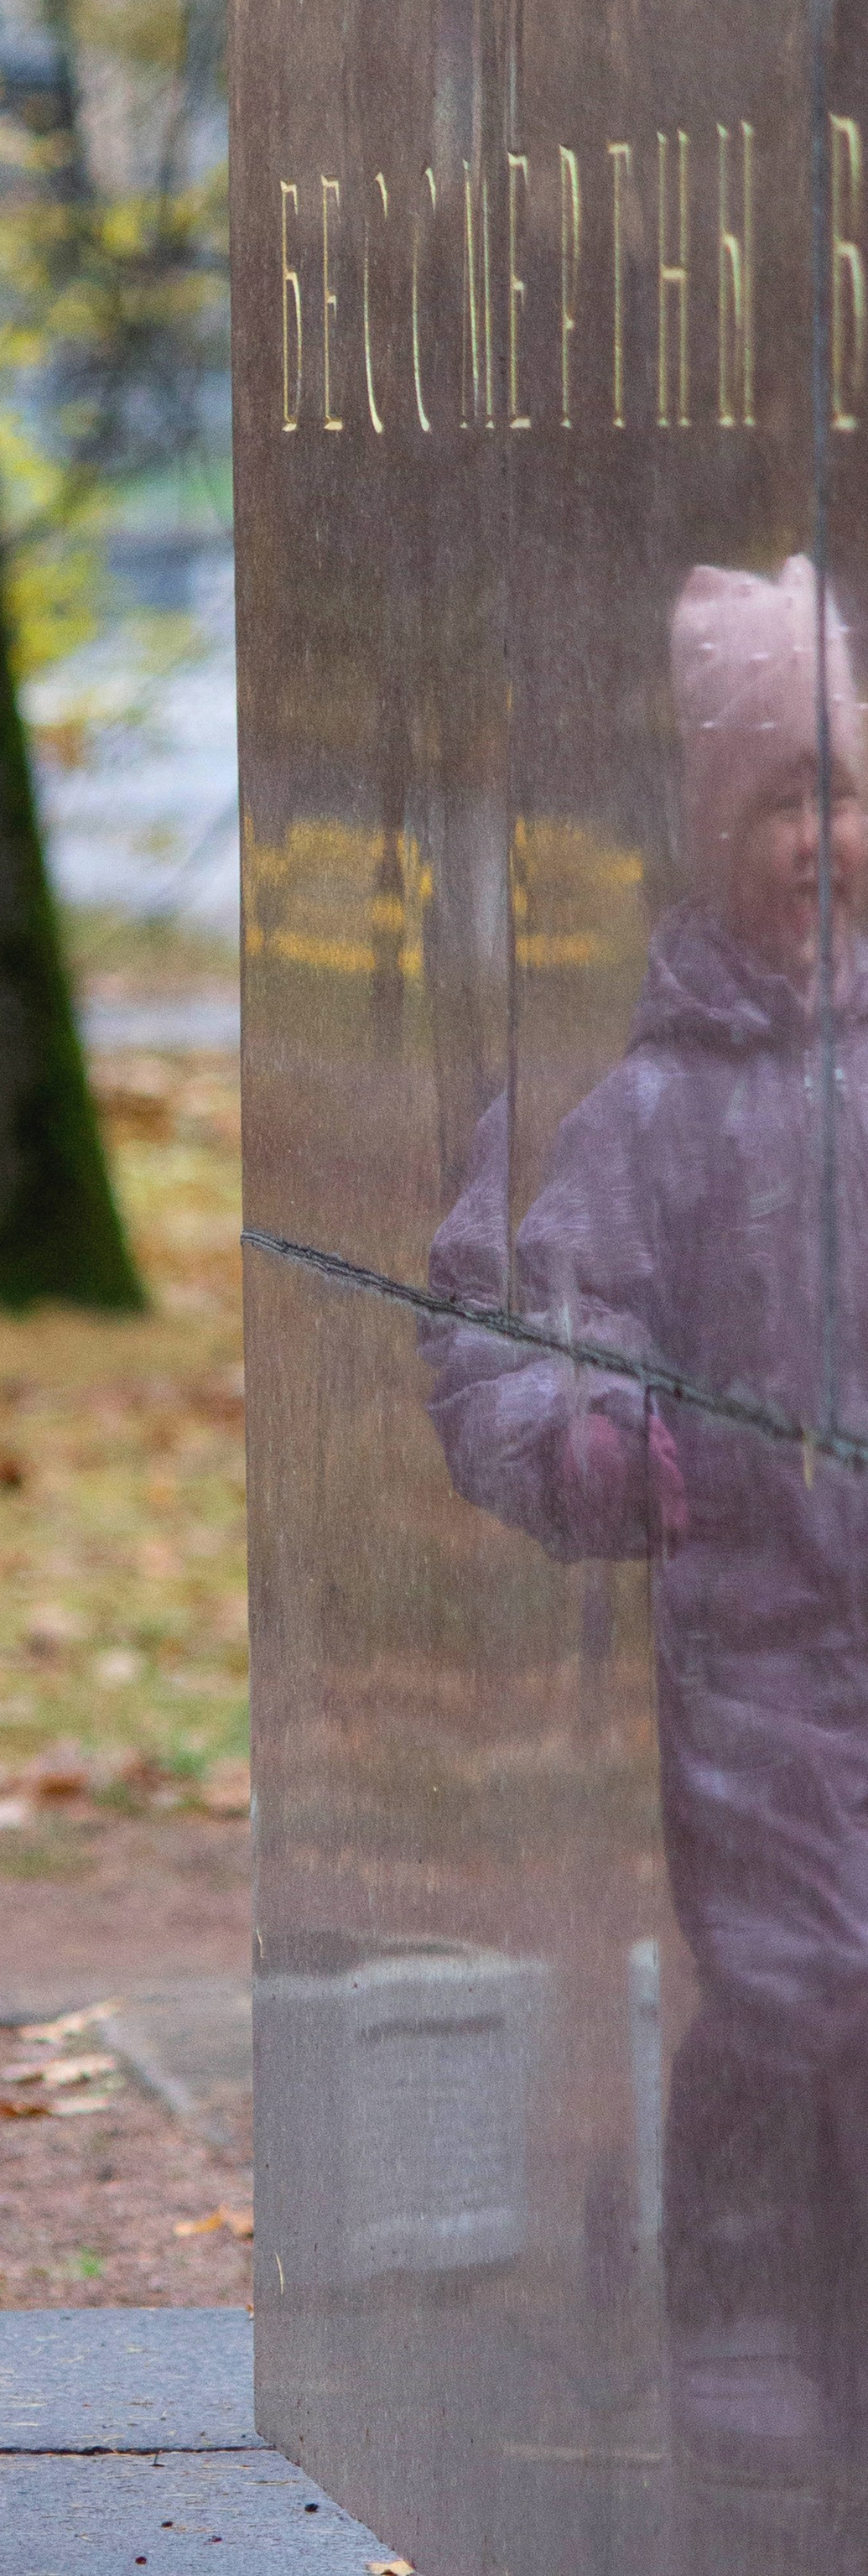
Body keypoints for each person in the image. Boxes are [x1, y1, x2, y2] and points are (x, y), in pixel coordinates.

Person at [423, 556, 868, 2481]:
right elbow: (523, 1327)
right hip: (760, 1635)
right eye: (778, 800)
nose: (820, 835)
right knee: (786, 1982)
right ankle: (747, 2317)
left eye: (843, 789)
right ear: (707, 835)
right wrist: (591, 1434)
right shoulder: (656, 1106)